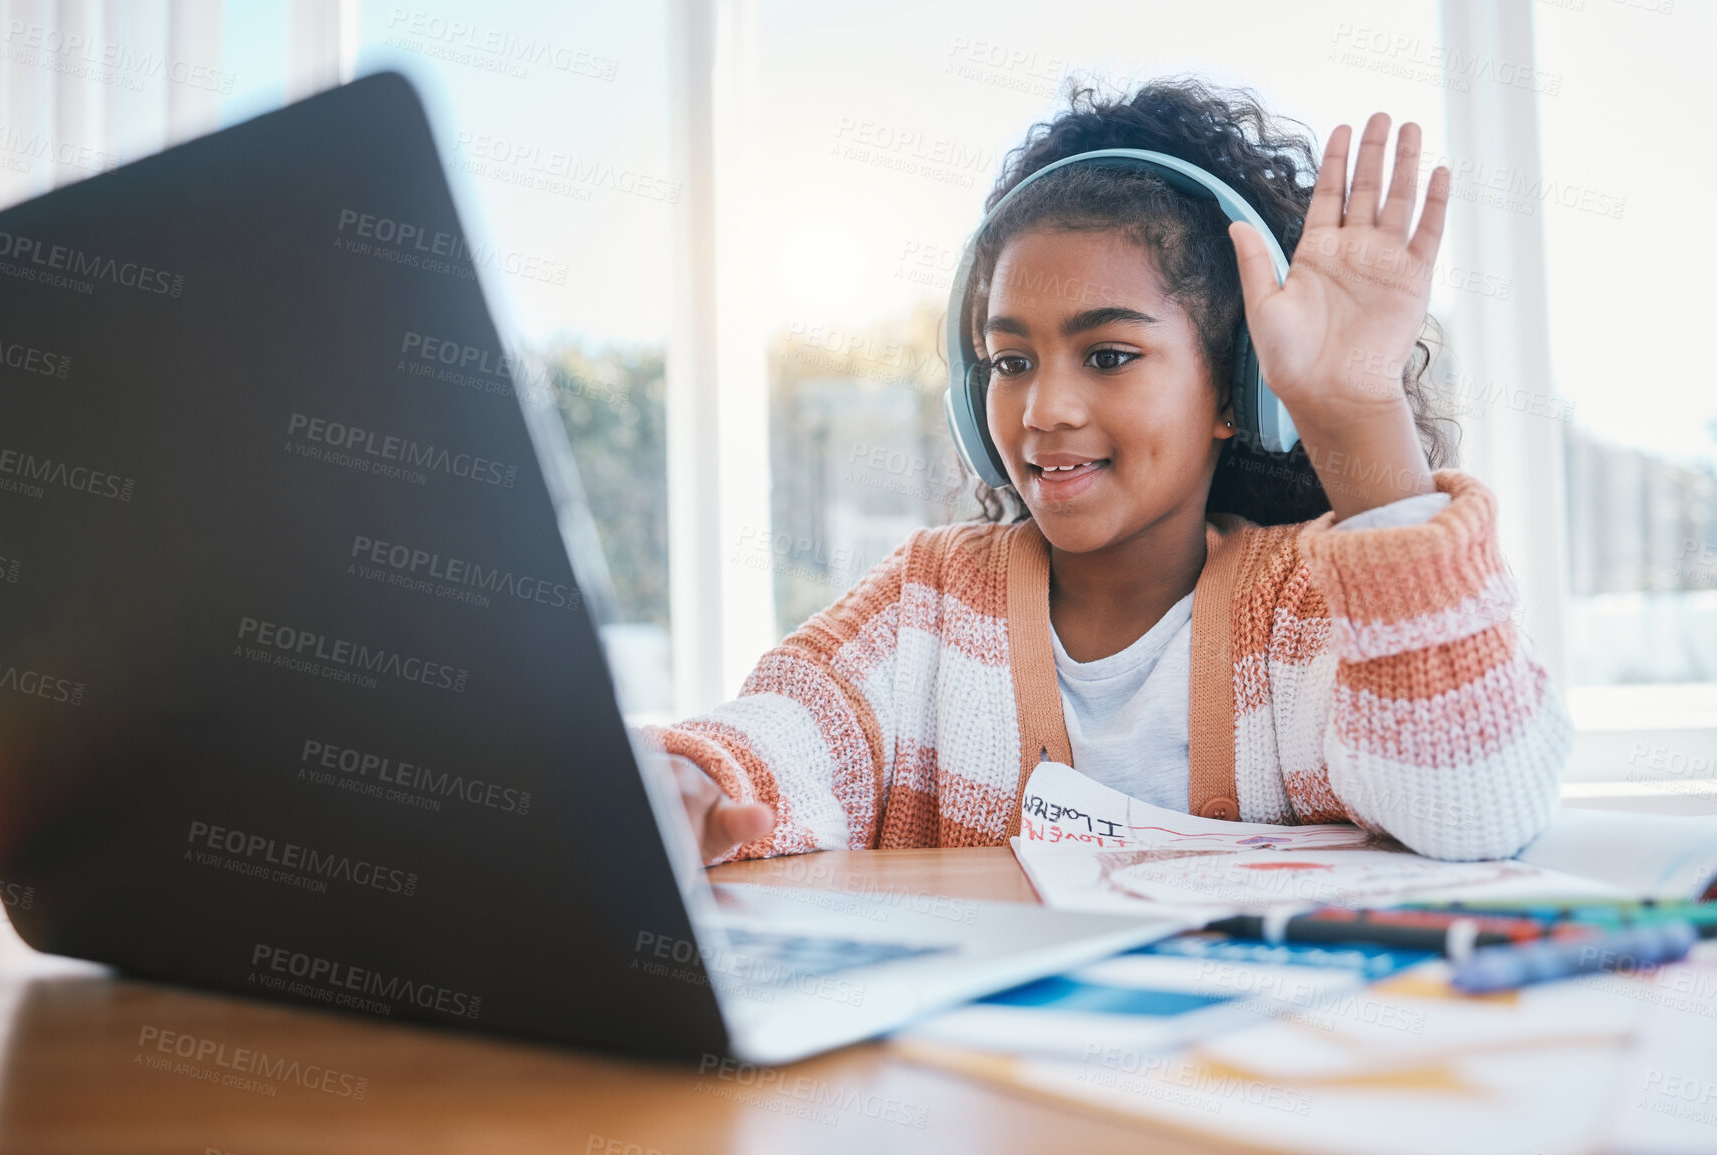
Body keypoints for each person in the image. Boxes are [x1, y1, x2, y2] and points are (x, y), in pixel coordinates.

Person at [650, 79, 1569, 865]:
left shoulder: (1306, 609)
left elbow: (1477, 807)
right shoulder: (928, 600)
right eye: (1009, 363)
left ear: (1235, 390)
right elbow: (786, 732)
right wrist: (689, 777)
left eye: (1108, 355)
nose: (1044, 408)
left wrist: (1356, 411)